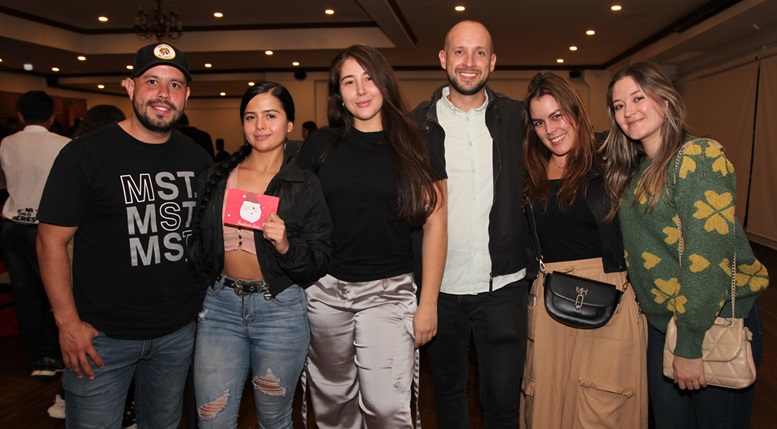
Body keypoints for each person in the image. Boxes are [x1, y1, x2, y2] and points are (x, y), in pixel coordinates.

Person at [36, 42, 212, 428]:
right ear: (129, 87)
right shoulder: (84, 155)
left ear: (186, 96)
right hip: (100, 338)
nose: (163, 94)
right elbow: (51, 241)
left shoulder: (197, 158)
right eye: (152, 81)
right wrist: (67, 324)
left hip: (177, 333)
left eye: (175, 85)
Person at [602, 61, 769, 428]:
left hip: (709, 323)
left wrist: (689, 344)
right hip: (664, 327)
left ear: (665, 99)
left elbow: (708, 260)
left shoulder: (698, 157)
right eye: (618, 106)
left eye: (638, 98)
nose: (628, 112)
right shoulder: (638, 165)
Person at [297, 44, 447, 428]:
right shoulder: (320, 145)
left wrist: (427, 302)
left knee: (385, 408)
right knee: (333, 406)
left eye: (369, 78)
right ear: (339, 95)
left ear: (384, 83)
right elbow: (293, 210)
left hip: (389, 292)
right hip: (325, 292)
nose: (361, 90)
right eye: (349, 81)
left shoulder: (420, 141)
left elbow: (436, 224)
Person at [188, 82, 332, 428]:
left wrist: (285, 246)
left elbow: (320, 260)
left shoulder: (304, 183)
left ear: (289, 124)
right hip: (219, 308)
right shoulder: (217, 176)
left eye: (271, 115)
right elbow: (197, 244)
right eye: (251, 117)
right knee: (212, 418)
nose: (260, 125)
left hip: (279, 309)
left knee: (274, 419)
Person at [412, 20, 530, 428]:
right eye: (459, 52)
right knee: (447, 396)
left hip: (504, 286)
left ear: (493, 62)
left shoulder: (517, 119)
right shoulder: (416, 126)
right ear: (443, 59)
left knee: (502, 403)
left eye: (479, 52)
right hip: (439, 288)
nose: (469, 62)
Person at [519, 72, 648, 428]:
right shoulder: (530, 174)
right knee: (546, 403)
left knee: (602, 405)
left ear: (576, 111)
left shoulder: (614, 159)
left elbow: (660, 144)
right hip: (549, 303)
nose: (550, 129)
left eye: (558, 115)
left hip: (612, 298)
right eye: (539, 122)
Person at [0, 91, 70, 379]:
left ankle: (37, 357)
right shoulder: (64, 145)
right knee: (57, 293)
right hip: (48, 228)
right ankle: (54, 353)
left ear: (20, 116)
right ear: (52, 117)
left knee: (25, 293)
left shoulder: (7, 143)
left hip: (12, 226)